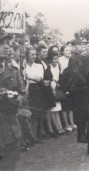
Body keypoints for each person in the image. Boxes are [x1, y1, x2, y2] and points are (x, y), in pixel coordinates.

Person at [0, 29, 23, 170]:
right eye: (1, 43)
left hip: (10, 128)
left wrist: (16, 99)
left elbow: (22, 94)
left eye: (7, 43)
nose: (6, 47)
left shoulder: (13, 70)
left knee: (9, 164)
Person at [67, 39, 88, 143]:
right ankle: (81, 135)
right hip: (78, 88)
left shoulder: (82, 57)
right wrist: (86, 81)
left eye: (82, 45)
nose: (81, 46)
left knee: (85, 112)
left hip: (84, 88)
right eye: (79, 45)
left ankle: (84, 133)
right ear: (74, 47)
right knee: (80, 112)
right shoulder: (73, 58)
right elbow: (75, 74)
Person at [24, 47, 45, 144]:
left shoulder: (38, 66)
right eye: (31, 54)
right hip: (27, 89)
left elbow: (39, 79)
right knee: (28, 114)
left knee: (36, 114)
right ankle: (28, 137)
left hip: (36, 90)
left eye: (35, 54)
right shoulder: (23, 66)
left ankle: (35, 136)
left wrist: (29, 77)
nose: (34, 56)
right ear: (27, 55)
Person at [46, 46, 66, 136]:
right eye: (54, 59)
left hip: (57, 86)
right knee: (53, 110)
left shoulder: (57, 66)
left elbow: (59, 77)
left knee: (58, 109)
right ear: (50, 60)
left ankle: (60, 127)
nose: (56, 60)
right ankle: (57, 128)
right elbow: (50, 79)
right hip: (51, 88)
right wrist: (53, 87)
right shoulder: (49, 67)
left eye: (57, 58)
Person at [59, 45, 76, 132]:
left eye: (70, 50)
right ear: (62, 52)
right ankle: (66, 124)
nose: (69, 52)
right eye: (66, 50)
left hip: (71, 83)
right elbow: (61, 74)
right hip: (64, 83)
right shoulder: (60, 60)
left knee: (71, 105)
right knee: (65, 106)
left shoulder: (72, 59)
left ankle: (72, 122)